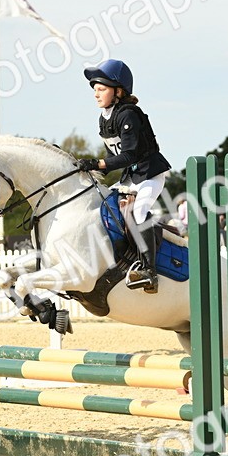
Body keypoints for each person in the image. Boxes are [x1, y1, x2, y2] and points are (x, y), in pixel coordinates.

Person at [75, 59, 171, 293]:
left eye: (101, 89)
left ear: (118, 91)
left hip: (150, 174)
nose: (96, 94)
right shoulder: (105, 118)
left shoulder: (129, 115)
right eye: (95, 89)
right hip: (131, 176)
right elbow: (113, 156)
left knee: (138, 211)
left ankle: (149, 271)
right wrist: (92, 169)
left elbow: (128, 155)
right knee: (106, 207)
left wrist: (97, 163)